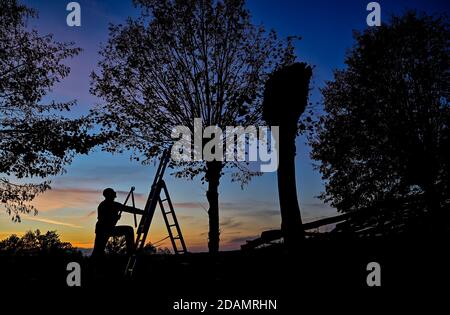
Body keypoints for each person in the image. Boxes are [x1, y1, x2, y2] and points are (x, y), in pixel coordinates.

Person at [92, 188, 144, 257]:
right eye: (113, 192)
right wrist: (143, 212)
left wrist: (114, 218)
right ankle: (130, 251)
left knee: (98, 251)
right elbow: (128, 209)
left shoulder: (103, 204)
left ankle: (92, 264)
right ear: (109, 195)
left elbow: (127, 209)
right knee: (129, 230)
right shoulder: (112, 204)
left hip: (102, 230)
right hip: (105, 230)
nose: (115, 193)